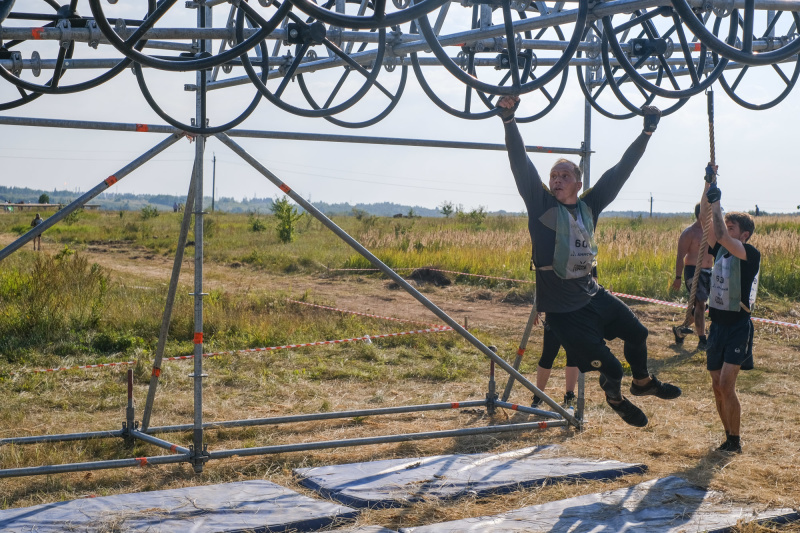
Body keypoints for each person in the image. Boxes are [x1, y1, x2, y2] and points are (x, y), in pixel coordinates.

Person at [498, 95, 681, 427]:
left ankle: (642, 383)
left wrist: (647, 132)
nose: (556, 179)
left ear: (578, 184)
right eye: (553, 175)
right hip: (564, 312)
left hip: (593, 295)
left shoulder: (589, 205)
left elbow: (620, 171)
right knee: (611, 368)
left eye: (564, 175)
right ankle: (616, 399)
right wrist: (509, 120)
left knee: (638, 333)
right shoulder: (541, 204)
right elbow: (519, 162)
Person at [701, 174, 760, 454]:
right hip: (717, 326)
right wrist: (708, 185)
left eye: (731, 227)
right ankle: (727, 436)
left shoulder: (749, 253)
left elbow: (720, 233)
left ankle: (735, 440)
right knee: (716, 385)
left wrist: (718, 202)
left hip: (738, 325)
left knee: (727, 383)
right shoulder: (721, 251)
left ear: (744, 235)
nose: (725, 230)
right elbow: (706, 222)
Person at [671, 202, 713, 350]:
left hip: (710, 271)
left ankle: (680, 329)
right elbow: (680, 256)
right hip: (693, 271)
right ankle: (702, 340)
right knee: (700, 303)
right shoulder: (689, 233)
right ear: (700, 214)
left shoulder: (713, 232)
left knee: (702, 306)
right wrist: (677, 278)